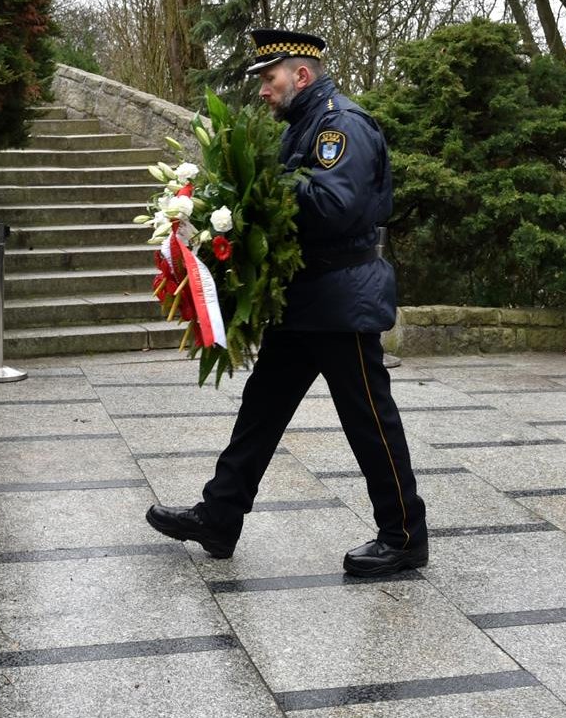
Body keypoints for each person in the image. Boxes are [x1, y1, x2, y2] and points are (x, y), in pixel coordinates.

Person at [145, 28, 429, 576]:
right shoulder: (303, 125)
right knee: (261, 410)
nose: (261, 91)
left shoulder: (340, 126)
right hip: (306, 297)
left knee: (369, 418)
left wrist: (258, 183)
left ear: (301, 75)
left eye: (269, 78)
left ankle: (404, 536)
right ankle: (219, 518)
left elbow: (335, 204)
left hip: (342, 297)